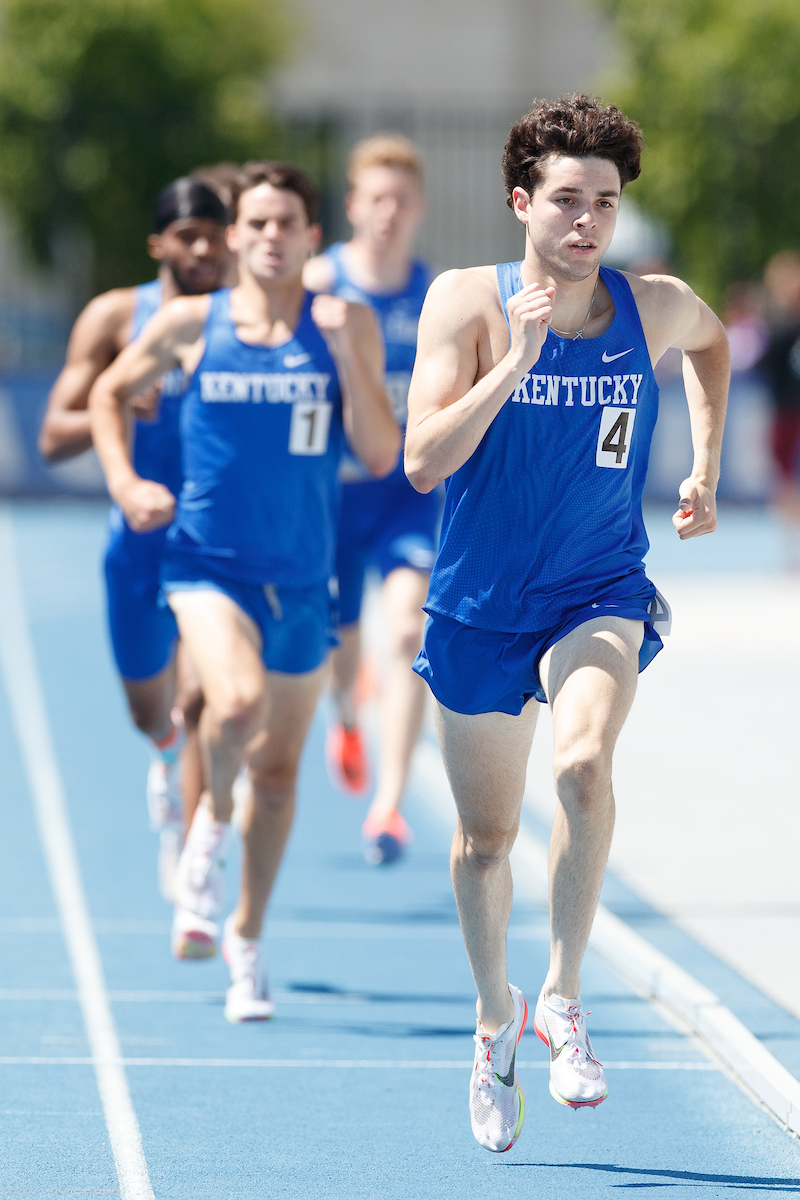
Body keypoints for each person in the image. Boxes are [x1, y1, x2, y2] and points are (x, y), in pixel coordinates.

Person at [404, 94, 728, 1152]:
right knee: (483, 840)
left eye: (604, 202)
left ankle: (563, 994)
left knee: (583, 769)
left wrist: (705, 465)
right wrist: (514, 364)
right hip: (478, 606)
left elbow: (713, 346)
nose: (587, 221)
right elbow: (420, 463)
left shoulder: (652, 304)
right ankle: (495, 1022)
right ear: (519, 202)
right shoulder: (466, 301)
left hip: (597, 588)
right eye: (564, 201)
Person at [89, 161, 400, 1022]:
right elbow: (109, 394)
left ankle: (247, 939)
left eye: (286, 223)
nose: (269, 237)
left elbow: (380, 454)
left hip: (303, 579)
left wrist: (346, 355)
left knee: (278, 771)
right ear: (235, 237)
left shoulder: (347, 326)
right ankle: (205, 834)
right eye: (254, 223)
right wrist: (125, 484)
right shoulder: (193, 324)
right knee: (232, 703)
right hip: (204, 565)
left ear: (310, 236)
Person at [38, 178, 231, 900]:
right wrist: (112, 407)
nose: (204, 248)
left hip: (217, 544)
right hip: (141, 541)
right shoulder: (117, 317)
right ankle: (164, 755)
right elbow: (52, 435)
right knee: (153, 712)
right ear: (159, 244)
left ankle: (194, 849)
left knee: (208, 697)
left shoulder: (244, 320)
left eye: (215, 232)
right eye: (189, 235)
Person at [304, 135, 438, 865]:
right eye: (375, 199)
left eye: (401, 201)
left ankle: (388, 807)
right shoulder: (317, 283)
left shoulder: (435, 295)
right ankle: (346, 716)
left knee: (408, 633)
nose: (388, 213)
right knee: (342, 647)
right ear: (353, 206)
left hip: (406, 497)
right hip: (330, 496)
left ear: (418, 209)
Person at [757, 251, 800, 567]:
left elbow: (763, 366)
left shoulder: (781, 328)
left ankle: (790, 548)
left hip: (787, 411)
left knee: (784, 479)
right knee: (784, 478)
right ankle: (790, 547)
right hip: (785, 411)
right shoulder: (779, 326)